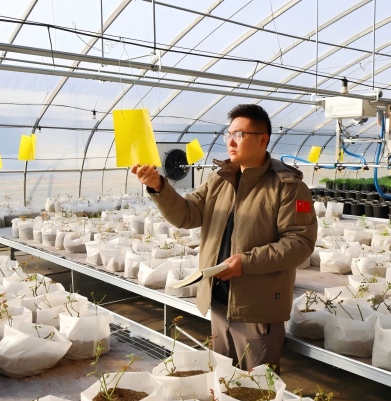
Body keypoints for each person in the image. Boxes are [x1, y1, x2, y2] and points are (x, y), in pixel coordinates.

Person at [131, 104, 317, 372]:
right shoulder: (219, 180)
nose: (230, 141)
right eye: (228, 134)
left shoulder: (287, 186)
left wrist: (246, 262)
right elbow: (187, 215)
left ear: (263, 139)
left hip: (256, 306)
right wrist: (159, 186)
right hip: (219, 300)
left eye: (240, 134)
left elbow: (299, 244)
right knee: (223, 376)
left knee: (256, 384)